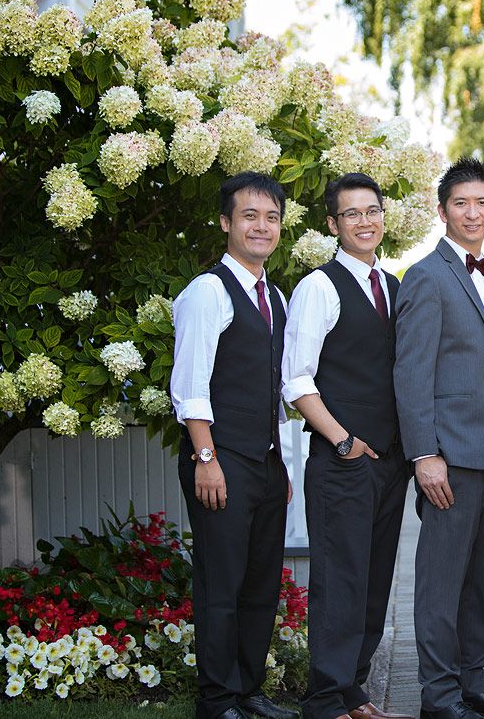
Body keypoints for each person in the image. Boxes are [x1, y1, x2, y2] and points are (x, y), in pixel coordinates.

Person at [393, 157, 484, 719]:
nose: (472, 212)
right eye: (460, 203)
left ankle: (474, 679)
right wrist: (425, 455)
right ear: (442, 209)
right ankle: (438, 696)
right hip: (450, 458)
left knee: (480, 580)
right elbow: (411, 373)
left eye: (482, 203)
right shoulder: (425, 276)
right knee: (440, 585)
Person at [285, 173, 414, 719]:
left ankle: (354, 692)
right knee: (340, 582)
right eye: (352, 214)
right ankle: (323, 701)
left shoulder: (396, 286)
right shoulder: (318, 286)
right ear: (334, 225)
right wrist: (343, 442)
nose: (365, 222)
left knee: (374, 582)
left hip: (390, 465)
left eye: (373, 211)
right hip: (343, 461)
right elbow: (296, 381)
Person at [170, 172, 300, 719]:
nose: (261, 226)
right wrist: (206, 458)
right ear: (226, 223)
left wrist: (281, 466)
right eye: (249, 215)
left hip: (265, 462)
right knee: (221, 586)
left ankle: (248, 692)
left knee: (260, 585)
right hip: (218, 459)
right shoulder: (208, 291)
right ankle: (217, 700)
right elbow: (190, 384)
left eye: (271, 217)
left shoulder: (276, 296)